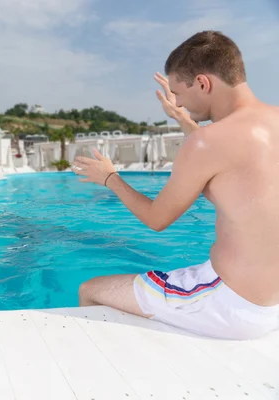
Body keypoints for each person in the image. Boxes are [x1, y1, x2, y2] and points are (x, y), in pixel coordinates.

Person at [72, 30, 279, 340]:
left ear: (203, 83)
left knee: (90, 290)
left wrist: (110, 178)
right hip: (271, 301)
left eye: (179, 92)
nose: (178, 102)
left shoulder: (206, 143)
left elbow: (157, 219)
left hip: (232, 302)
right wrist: (184, 120)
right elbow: (239, 181)